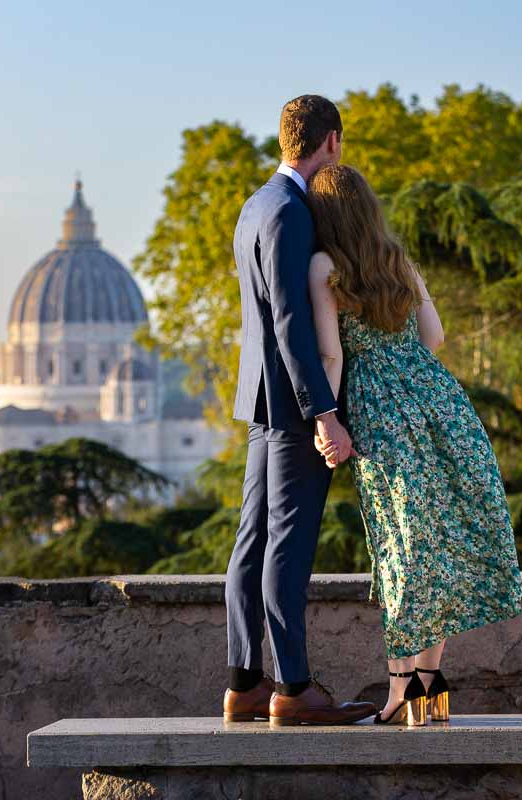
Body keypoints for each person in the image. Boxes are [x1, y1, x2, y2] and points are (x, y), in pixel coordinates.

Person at [307, 164, 522, 727]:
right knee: (439, 544)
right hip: (439, 402)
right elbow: (435, 336)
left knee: (401, 545)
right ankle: (428, 684)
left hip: (382, 416)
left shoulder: (324, 267)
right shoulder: (398, 259)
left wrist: (327, 421)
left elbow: (331, 357)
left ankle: (403, 688)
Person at [221, 95, 376, 726]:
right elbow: (290, 324)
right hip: (291, 407)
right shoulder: (290, 211)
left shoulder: (255, 204)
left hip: (261, 401)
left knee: (253, 541)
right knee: (285, 544)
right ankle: (291, 688)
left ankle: (244, 684)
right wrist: (325, 413)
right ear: (331, 142)